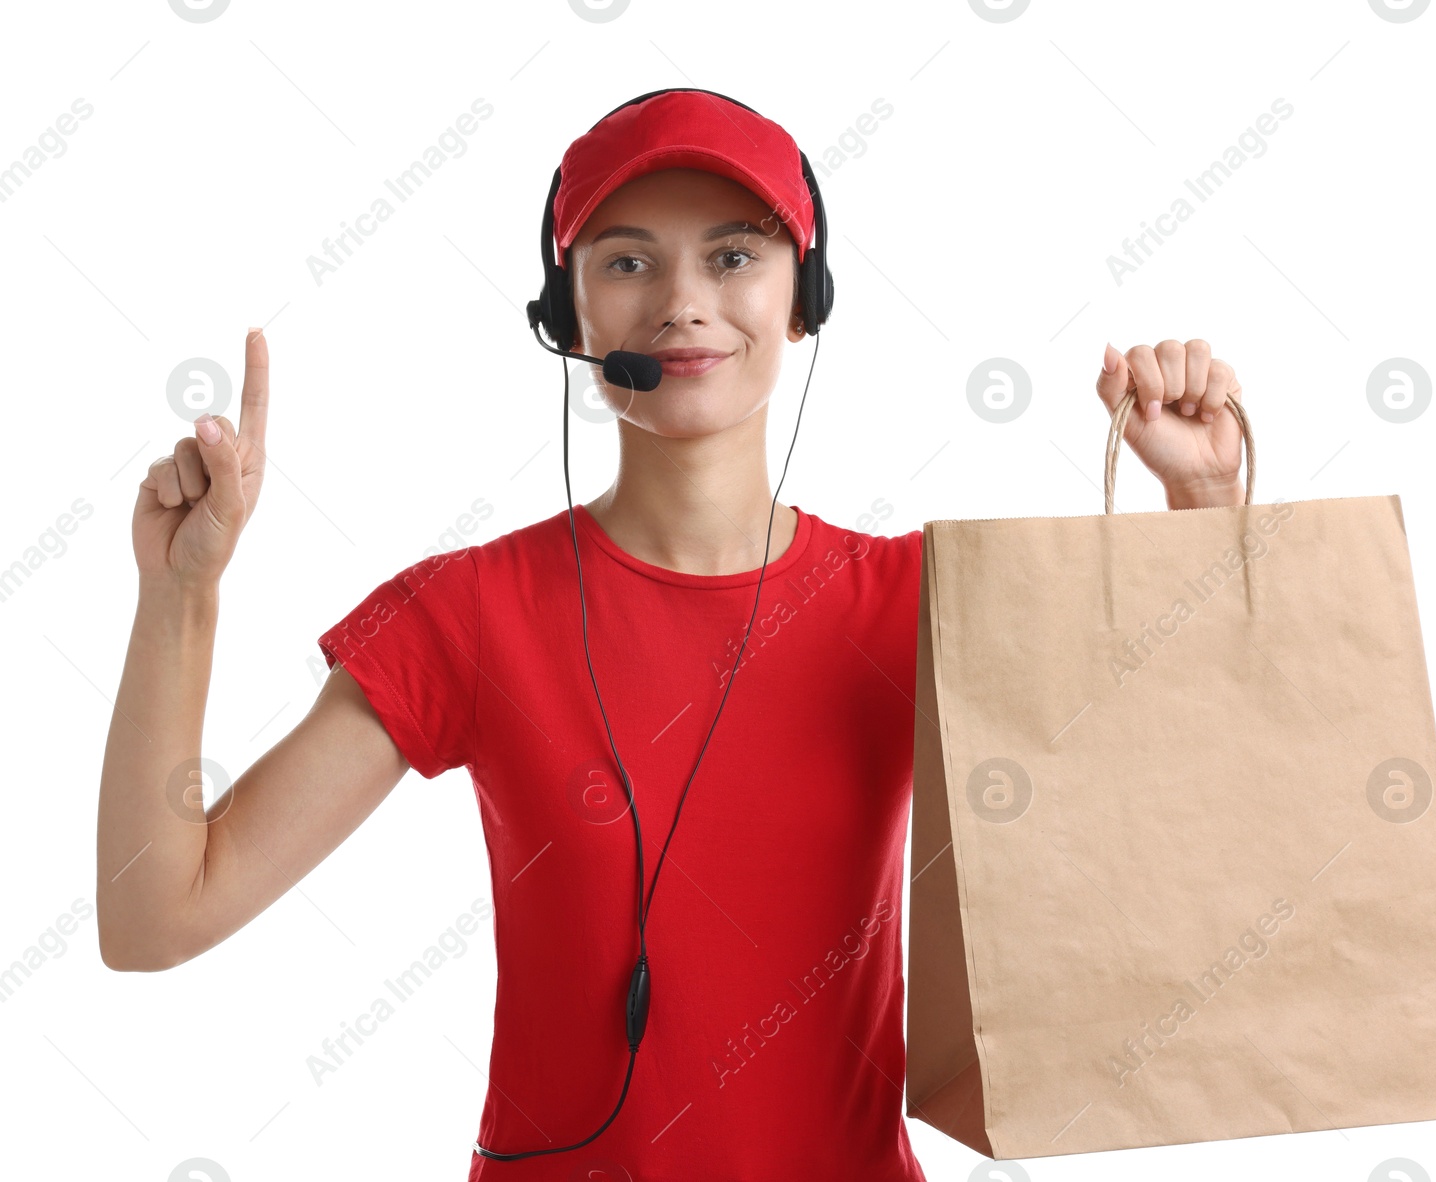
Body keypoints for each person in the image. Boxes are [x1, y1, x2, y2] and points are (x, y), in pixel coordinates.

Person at [96, 89, 1245, 1181]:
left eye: (734, 255)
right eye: (628, 260)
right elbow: (157, 918)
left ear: (805, 299)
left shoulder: (916, 599)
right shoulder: (467, 614)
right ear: (568, 313)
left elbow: (1189, 817)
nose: (682, 300)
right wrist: (177, 596)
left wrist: (1203, 513)